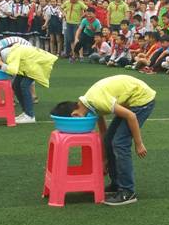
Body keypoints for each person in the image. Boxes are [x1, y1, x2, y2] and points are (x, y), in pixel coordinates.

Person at [51, 75, 157, 206]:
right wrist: (104, 159)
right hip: (129, 101)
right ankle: (116, 184)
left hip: (142, 101)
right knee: (109, 140)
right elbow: (104, 133)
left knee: (120, 143)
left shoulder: (98, 102)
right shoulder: (89, 105)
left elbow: (131, 116)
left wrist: (138, 143)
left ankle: (128, 191)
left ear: (74, 115)